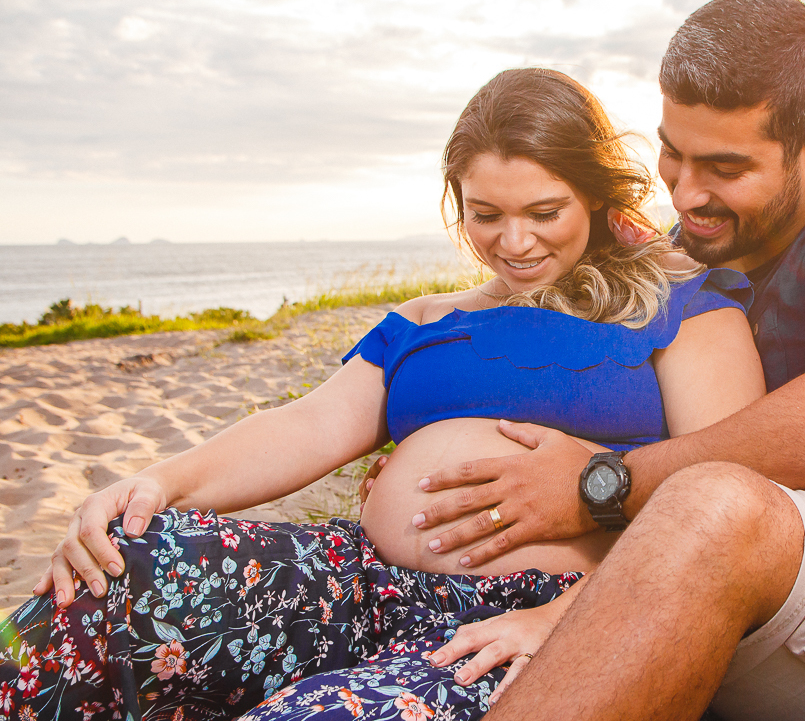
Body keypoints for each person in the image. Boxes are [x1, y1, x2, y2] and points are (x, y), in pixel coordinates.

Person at [0, 68, 765, 720]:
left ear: (596, 198)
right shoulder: (424, 321)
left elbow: (729, 504)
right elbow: (310, 424)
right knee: (123, 570)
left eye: (544, 212)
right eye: (485, 215)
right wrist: (155, 482)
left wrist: (571, 620)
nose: (516, 242)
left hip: (535, 611)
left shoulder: (683, 307)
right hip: (360, 580)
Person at [401, 0, 805, 720]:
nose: (685, 194)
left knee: (711, 504)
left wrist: (602, 482)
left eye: (724, 167)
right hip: (710, 577)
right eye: (673, 155)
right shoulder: (687, 252)